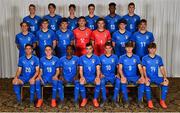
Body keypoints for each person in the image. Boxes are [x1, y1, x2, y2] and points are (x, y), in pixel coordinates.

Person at [118, 41, 145, 108]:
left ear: (132, 48)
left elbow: (140, 68)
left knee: (142, 81)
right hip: (126, 76)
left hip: (134, 77)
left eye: (130, 47)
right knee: (122, 81)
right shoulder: (122, 57)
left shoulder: (136, 57)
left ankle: (139, 101)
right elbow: (120, 68)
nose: (129, 49)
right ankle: (126, 101)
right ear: (125, 48)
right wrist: (122, 76)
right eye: (127, 47)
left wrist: (142, 76)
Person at [142, 43, 169, 109]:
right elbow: (144, 69)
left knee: (166, 82)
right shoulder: (144, 58)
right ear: (148, 49)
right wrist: (146, 77)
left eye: (153, 48)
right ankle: (149, 101)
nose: (152, 50)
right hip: (148, 77)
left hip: (156, 77)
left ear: (155, 49)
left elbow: (162, 68)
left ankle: (162, 101)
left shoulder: (159, 58)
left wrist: (165, 77)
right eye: (150, 48)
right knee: (147, 83)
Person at [79, 42, 101, 107]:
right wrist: (82, 77)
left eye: (90, 49)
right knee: (81, 82)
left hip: (93, 76)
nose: (88, 50)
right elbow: (80, 69)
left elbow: (98, 69)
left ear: (92, 49)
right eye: (87, 49)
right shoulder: (82, 58)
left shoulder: (96, 58)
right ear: (85, 49)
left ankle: (95, 99)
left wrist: (97, 76)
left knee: (98, 82)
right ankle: (84, 99)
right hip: (85, 77)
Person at [99, 42, 120, 107]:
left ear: (111, 48)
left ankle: (114, 99)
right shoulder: (101, 57)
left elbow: (118, 67)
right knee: (101, 81)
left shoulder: (115, 57)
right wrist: (101, 73)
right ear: (104, 49)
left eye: (109, 48)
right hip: (104, 75)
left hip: (112, 75)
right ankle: (104, 99)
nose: (108, 49)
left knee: (118, 81)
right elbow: (98, 67)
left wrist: (118, 74)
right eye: (106, 48)